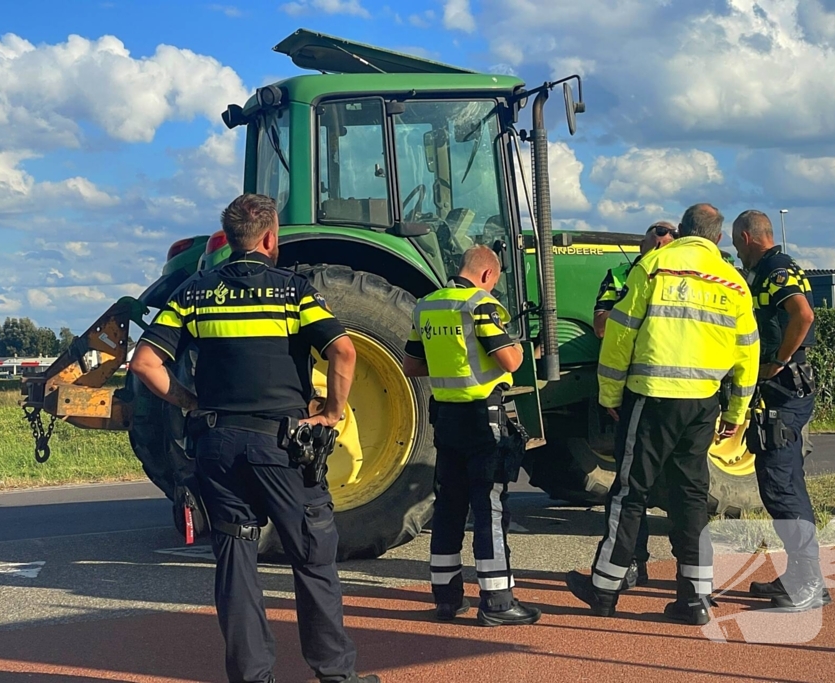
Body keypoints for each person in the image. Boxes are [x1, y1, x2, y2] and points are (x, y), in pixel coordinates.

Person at [130, 193, 378, 683]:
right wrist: (332, 411)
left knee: (236, 561)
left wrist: (189, 402)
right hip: (282, 449)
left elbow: (144, 364)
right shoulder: (294, 292)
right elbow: (343, 352)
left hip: (218, 447)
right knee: (312, 558)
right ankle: (334, 674)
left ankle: (251, 677)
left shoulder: (195, 292)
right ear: (270, 237)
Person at [565, 203, 759, 625]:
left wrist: (610, 394)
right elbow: (748, 352)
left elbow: (620, 333)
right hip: (703, 402)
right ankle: (695, 598)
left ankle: (604, 588)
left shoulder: (654, 265)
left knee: (630, 491)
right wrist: (737, 409)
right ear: (718, 238)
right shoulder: (734, 281)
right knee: (691, 495)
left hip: (651, 396)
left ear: (683, 230)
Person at [402, 245, 541, 627]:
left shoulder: (426, 305)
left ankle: (446, 598)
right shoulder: (482, 306)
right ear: (486, 276)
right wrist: (519, 348)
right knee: (490, 507)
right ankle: (497, 602)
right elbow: (509, 360)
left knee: (448, 507)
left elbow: (412, 364)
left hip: (446, 417)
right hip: (484, 419)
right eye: (493, 283)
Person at [732, 209, 828, 612]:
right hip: (780, 392)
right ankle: (800, 576)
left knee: (782, 486)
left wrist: (780, 360)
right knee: (780, 483)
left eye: (737, 244)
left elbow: (803, 314)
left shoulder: (775, 269)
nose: (736, 253)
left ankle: (809, 583)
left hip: (785, 390)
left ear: (748, 237)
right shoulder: (773, 268)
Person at [592, 220, 677, 589]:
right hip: (633, 390)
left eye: (667, 240)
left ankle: (688, 575)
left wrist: (633, 318)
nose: (659, 243)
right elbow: (600, 324)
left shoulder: (684, 276)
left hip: (677, 393)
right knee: (629, 485)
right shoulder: (620, 274)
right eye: (653, 238)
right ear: (643, 242)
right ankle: (630, 565)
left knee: (681, 488)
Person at [594, 221, 677, 339]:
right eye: (656, 250)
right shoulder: (617, 275)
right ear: (642, 247)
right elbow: (600, 329)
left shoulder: (684, 278)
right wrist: (630, 300)